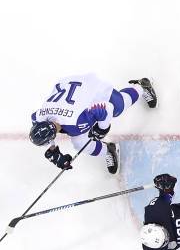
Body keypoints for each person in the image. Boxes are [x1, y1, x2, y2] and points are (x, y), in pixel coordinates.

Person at [28, 73, 157, 174]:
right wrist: (54, 153)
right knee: (80, 144)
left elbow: (106, 108)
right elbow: (44, 128)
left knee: (118, 107)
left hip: (91, 88)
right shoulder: (38, 117)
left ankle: (142, 86)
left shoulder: (76, 122)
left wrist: (102, 129)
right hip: (70, 90)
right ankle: (110, 150)